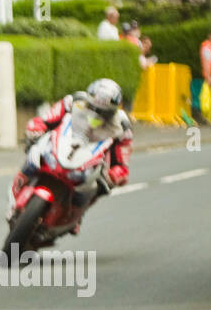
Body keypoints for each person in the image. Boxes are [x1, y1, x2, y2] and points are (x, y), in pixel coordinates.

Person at [13, 78, 132, 235]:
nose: (96, 115)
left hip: (92, 156)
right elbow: (49, 118)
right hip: (65, 142)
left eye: (103, 113)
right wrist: (37, 126)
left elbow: (122, 159)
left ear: (114, 110)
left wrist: (117, 173)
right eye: (92, 108)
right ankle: (20, 185)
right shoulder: (73, 101)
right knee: (35, 150)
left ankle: (76, 216)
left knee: (99, 186)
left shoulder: (122, 125)